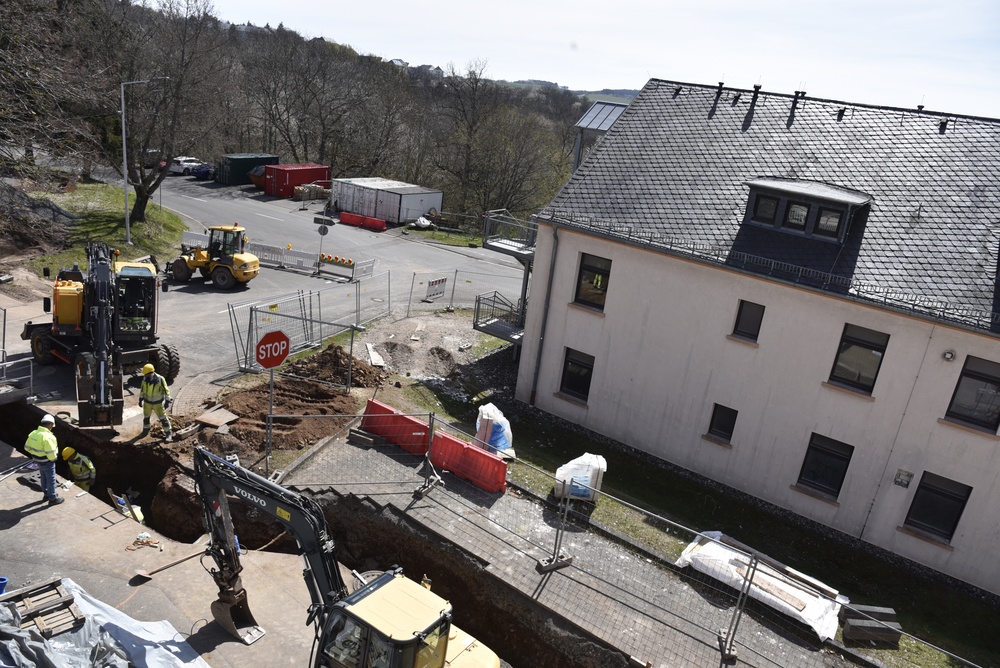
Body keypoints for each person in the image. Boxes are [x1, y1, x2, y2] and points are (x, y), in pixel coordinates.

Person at [24, 414, 63, 505]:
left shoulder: (33, 433)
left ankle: (46, 494)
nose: (52, 428)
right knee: (51, 479)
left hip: (37, 460)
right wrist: (53, 459)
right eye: (52, 426)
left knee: (43, 476)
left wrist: (36, 454)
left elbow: (26, 448)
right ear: (50, 425)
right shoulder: (48, 437)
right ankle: (52, 498)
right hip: (47, 462)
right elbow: (51, 453)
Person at [139, 363, 173, 441]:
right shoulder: (144, 379)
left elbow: (166, 390)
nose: (145, 375)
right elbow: (142, 389)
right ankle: (145, 431)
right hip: (147, 403)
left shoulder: (160, 379)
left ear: (150, 373)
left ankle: (168, 433)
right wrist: (140, 399)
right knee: (146, 418)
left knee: (163, 418)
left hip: (157, 404)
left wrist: (167, 400)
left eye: (146, 374)